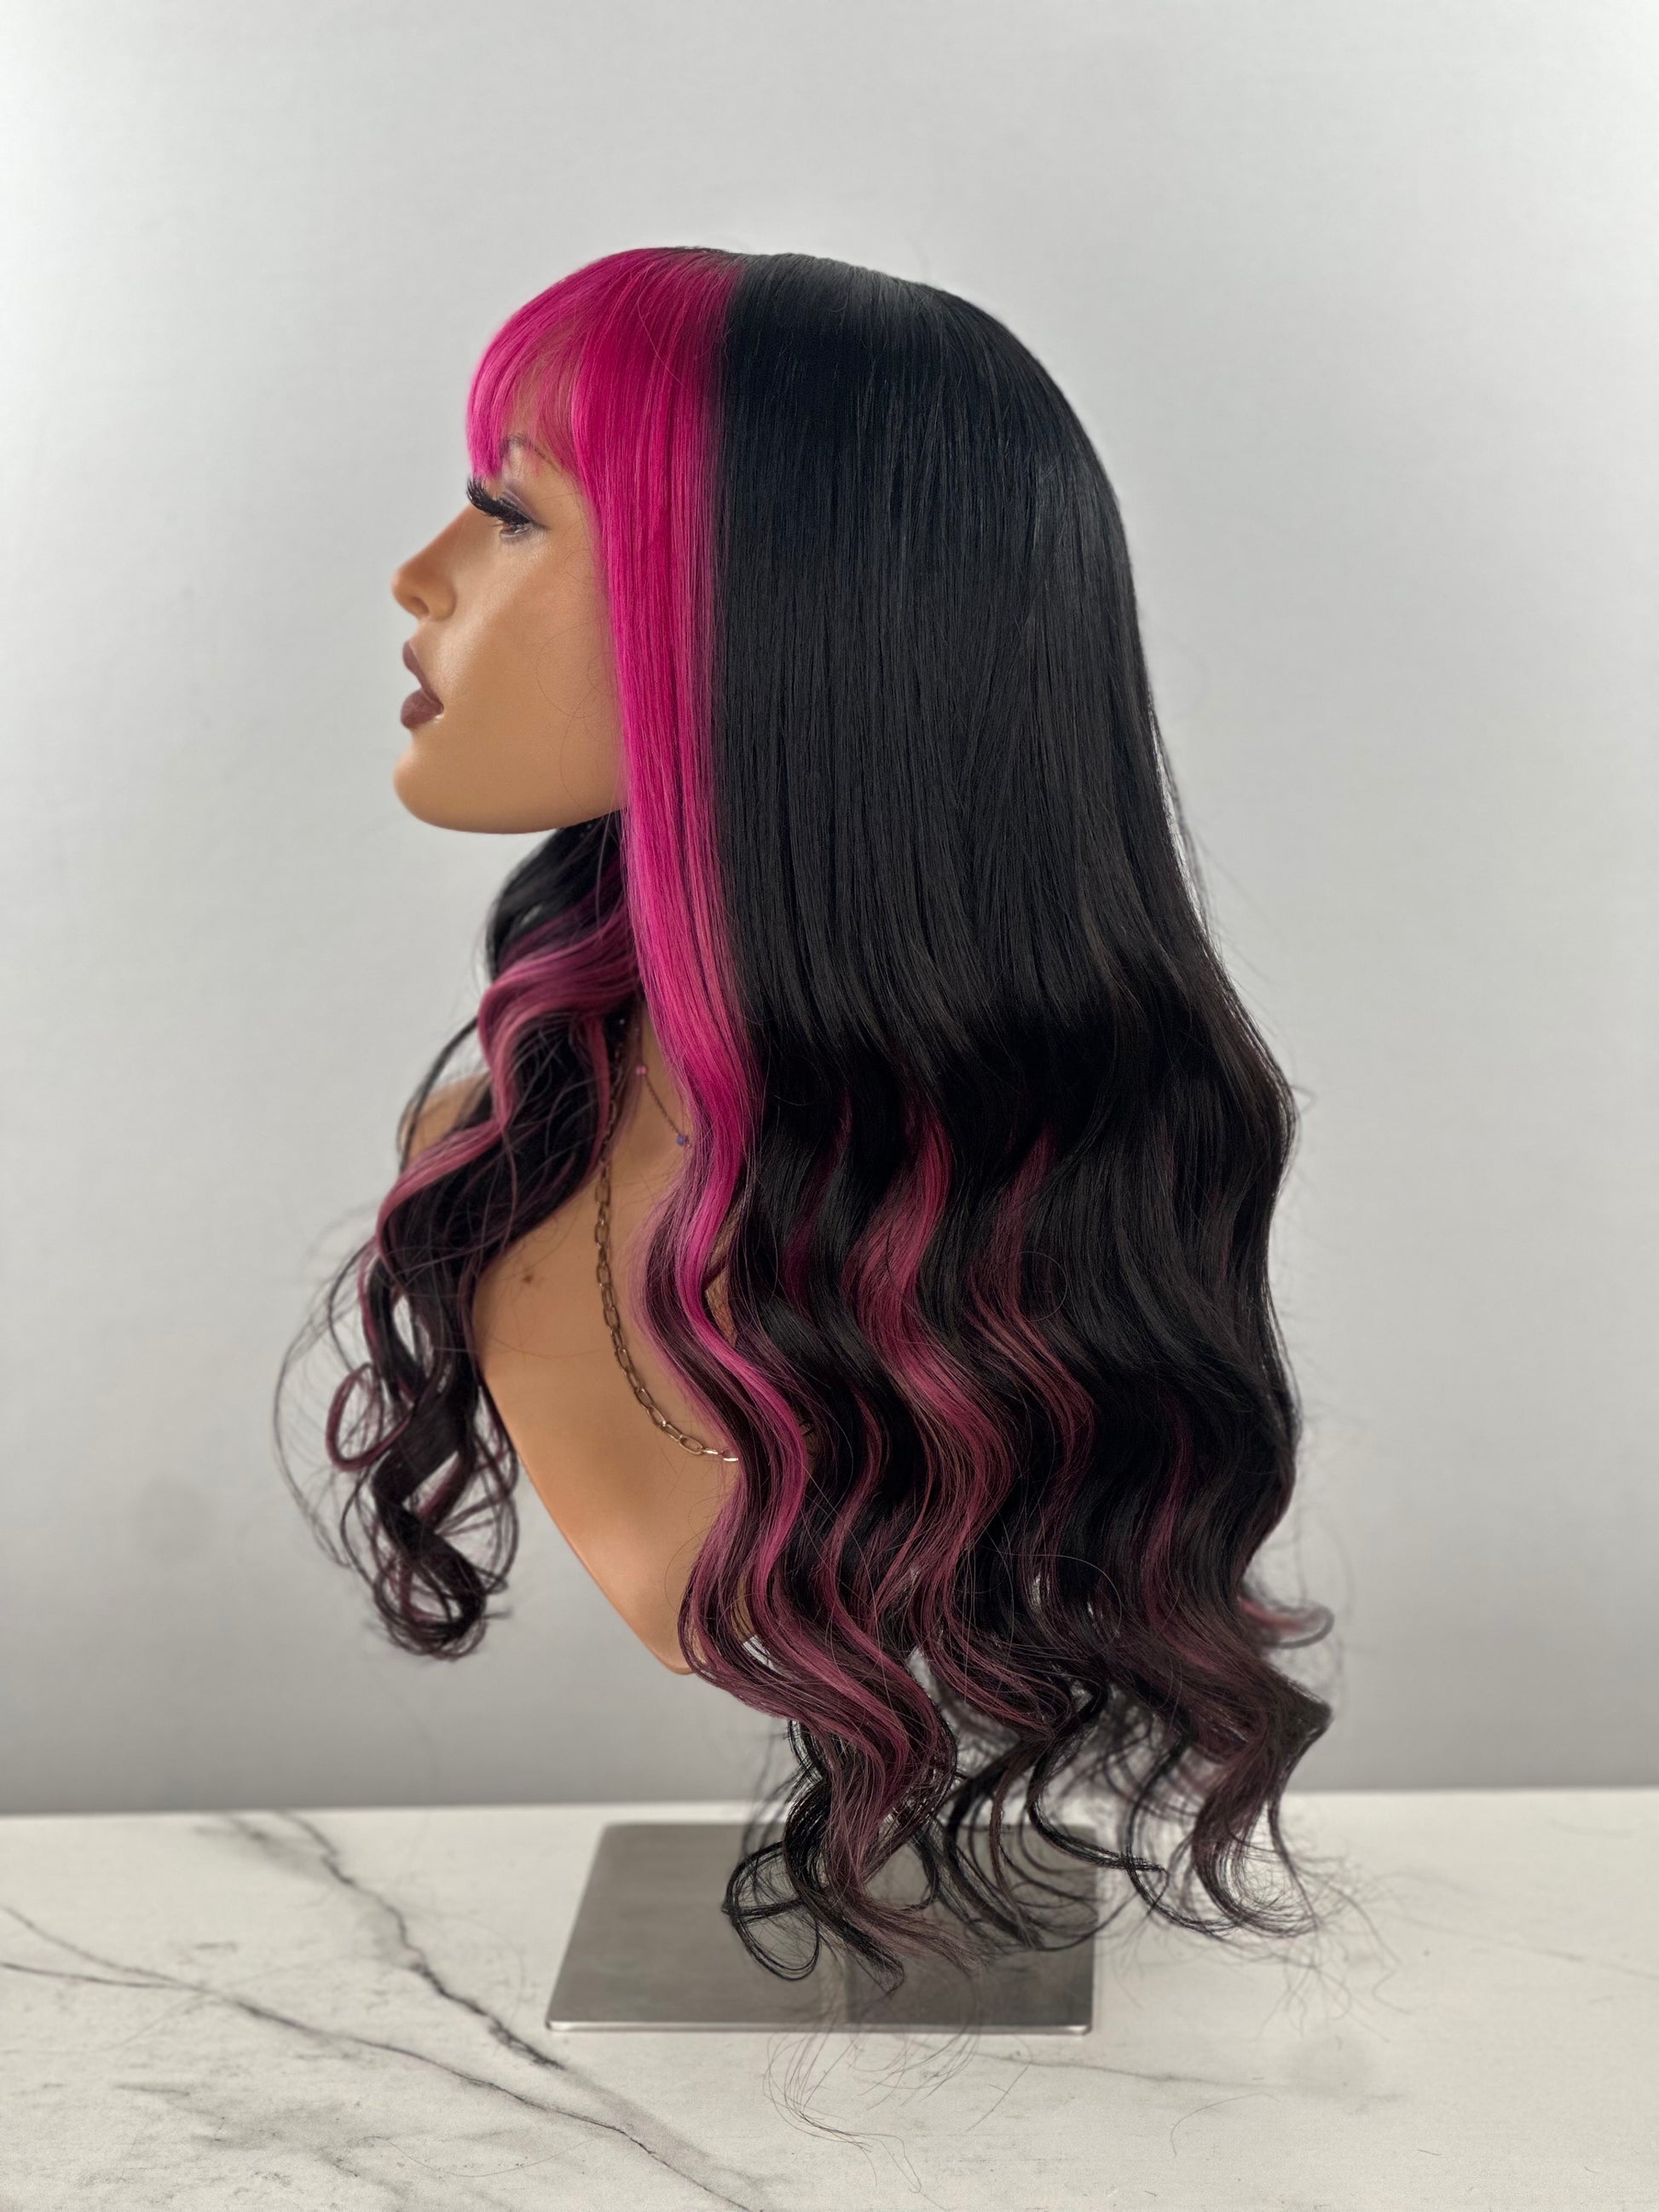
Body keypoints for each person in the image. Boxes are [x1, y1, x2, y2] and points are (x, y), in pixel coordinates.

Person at [278, 245, 1332, 1990]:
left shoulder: (1075, 1210)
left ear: (777, 626)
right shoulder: (498, 1150)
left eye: (511, 513)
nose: (420, 572)